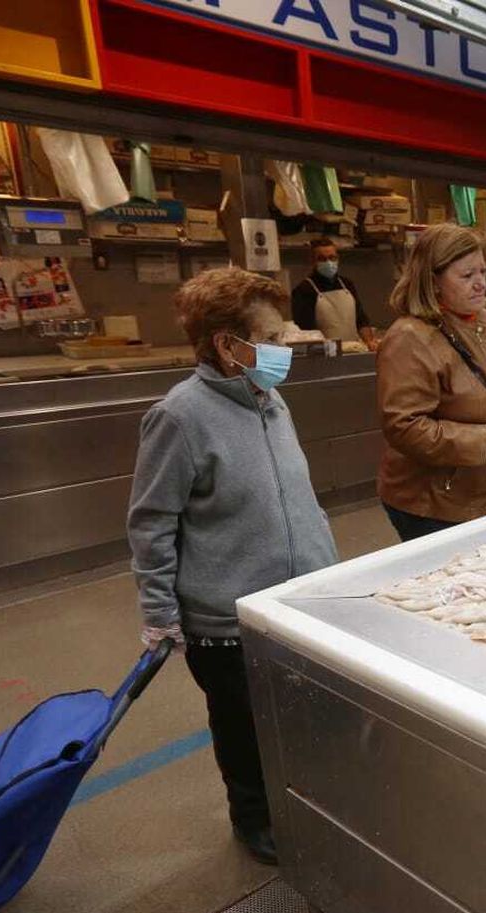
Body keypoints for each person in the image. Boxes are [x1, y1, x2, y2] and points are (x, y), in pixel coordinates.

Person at [127, 267, 339, 865]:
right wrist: (160, 613)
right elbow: (151, 522)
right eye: (270, 337)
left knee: (296, 717)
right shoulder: (179, 417)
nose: (283, 347)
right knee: (244, 729)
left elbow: (293, 494)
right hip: (228, 618)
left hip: (296, 603)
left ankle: (299, 801)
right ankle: (255, 818)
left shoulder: (270, 400)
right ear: (227, 344)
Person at [375, 223, 486, 541]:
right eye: (467, 276)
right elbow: (403, 427)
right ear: (433, 281)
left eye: (482, 272)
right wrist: (482, 439)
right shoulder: (410, 338)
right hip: (434, 504)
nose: (480, 283)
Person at [290, 237, 372, 344]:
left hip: (352, 348)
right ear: (312, 261)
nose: (328, 262)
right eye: (322, 259)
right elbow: (307, 331)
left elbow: (361, 320)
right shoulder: (303, 290)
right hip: (324, 352)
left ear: (338, 258)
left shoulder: (347, 284)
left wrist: (369, 341)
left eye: (332, 258)